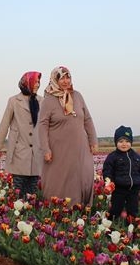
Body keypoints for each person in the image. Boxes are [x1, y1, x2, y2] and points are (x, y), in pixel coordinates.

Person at [37, 66, 98, 206]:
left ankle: (80, 210)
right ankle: (58, 211)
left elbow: (87, 119)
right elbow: (42, 125)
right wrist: (45, 149)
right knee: (59, 180)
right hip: (58, 149)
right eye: (62, 78)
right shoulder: (49, 100)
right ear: (55, 80)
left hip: (80, 147)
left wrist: (93, 140)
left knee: (83, 175)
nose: (65, 81)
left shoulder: (77, 96)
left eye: (67, 77)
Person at [0, 71, 44, 197]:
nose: (37, 85)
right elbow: (4, 123)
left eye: (38, 82)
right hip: (19, 149)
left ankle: (31, 215)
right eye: (35, 82)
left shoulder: (41, 101)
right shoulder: (14, 101)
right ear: (27, 83)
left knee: (33, 190)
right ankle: (17, 215)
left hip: (36, 151)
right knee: (18, 189)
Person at [102, 125, 140, 224]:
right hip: (119, 189)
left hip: (133, 190)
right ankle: (109, 225)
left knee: (133, 210)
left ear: (131, 142)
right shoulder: (112, 157)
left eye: (127, 141)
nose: (124, 144)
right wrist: (108, 182)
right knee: (115, 209)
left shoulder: (136, 156)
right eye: (120, 141)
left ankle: (131, 228)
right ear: (116, 143)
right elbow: (107, 171)